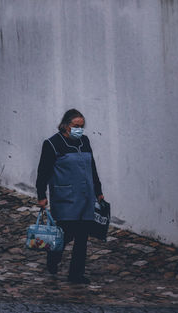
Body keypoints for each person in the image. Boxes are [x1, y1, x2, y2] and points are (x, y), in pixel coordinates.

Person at [36, 109, 104, 284]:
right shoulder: (52, 144)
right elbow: (43, 172)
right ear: (66, 125)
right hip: (65, 198)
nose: (79, 129)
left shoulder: (85, 141)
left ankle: (76, 274)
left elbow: (92, 167)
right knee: (66, 234)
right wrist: (41, 195)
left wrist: (98, 191)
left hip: (86, 198)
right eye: (76, 126)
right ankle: (53, 257)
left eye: (82, 126)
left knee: (82, 237)